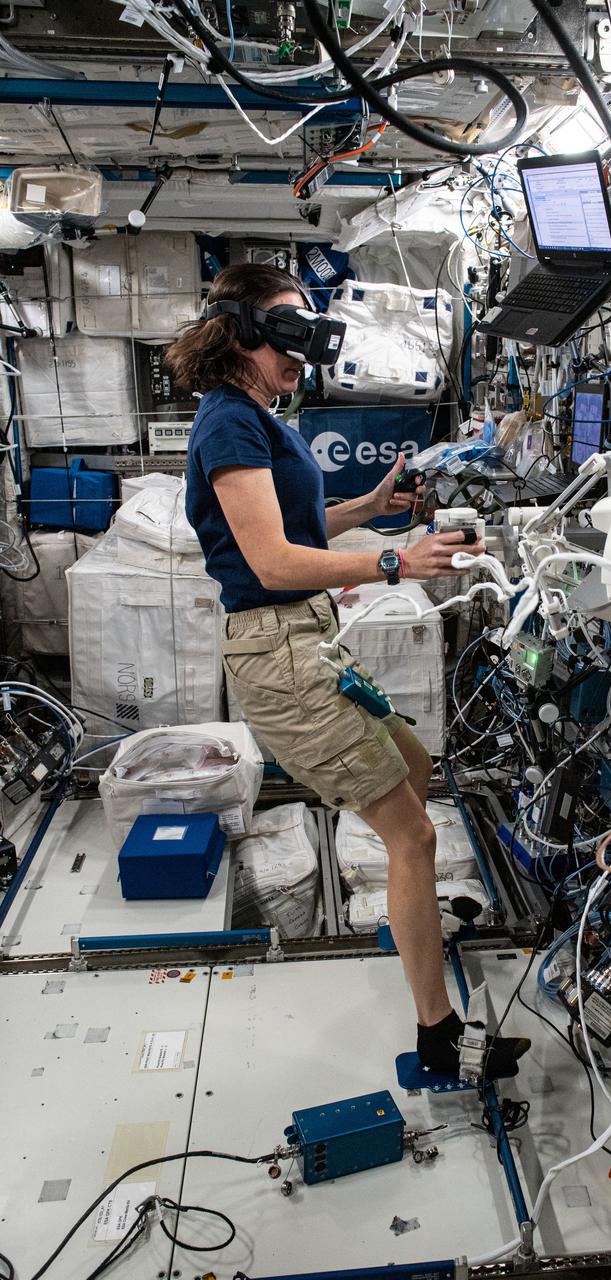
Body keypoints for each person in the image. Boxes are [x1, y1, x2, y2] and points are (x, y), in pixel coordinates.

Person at [167, 263, 529, 1077]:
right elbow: (268, 558)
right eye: (288, 331)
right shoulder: (228, 421)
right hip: (280, 654)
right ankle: (438, 1035)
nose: (302, 354)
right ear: (241, 330)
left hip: (307, 642)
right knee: (413, 832)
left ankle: (412, 922)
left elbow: (291, 522)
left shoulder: (257, 414)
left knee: (414, 763)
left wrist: (368, 511)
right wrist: (396, 563)